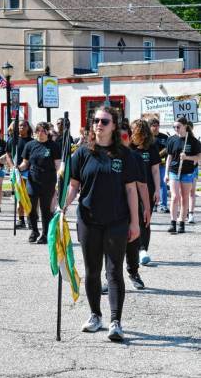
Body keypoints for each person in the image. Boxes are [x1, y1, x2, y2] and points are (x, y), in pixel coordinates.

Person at [63, 107, 140, 342]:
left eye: (104, 121)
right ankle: (95, 315)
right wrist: (62, 206)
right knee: (92, 271)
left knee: (114, 270)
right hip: (88, 220)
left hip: (117, 220)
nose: (99, 124)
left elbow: (131, 190)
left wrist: (135, 222)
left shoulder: (125, 155)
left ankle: (116, 321)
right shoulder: (82, 153)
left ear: (114, 125)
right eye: (95, 120)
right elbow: (74, 185)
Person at [121, 122, 151, 290]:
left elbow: (142, 185)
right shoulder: (106, 156)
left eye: (124, 136)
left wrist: (147, 208)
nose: (120, 139)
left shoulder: (135, 157)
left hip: (131, 207)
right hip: (111, 209)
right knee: (110, 246)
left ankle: (133, 272)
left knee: (132, 243)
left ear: (130, 137)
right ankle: (109, 278)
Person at [19, 122, 60, 244]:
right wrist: (18, 168)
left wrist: (59, 180)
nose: (40, 133)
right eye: (38, 131)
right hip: (32, 180)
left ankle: (45, 234)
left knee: (45, 209)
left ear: (48, 132)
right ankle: (34, 230)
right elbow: (25, 163)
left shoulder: (53, 146)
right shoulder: (30, 145)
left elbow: (58, 165)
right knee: (30, 207)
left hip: (48, 181)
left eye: (43, 131)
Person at [130, 119, 161, 267]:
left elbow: (155, 170)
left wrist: (157, 189)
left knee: (145, 220)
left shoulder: (152, 147)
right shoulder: (128, 146)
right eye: (134, 131)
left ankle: (143, 250)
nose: (136, 134)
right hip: (129, 189)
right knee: (130, 218)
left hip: (146, 189)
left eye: (138, 131)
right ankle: (132, 250)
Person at [164, 117, 201, 234]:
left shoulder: (193, 141)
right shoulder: (171, 140)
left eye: (178, 127)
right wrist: (166, 174)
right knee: (175, 197)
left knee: (185, 198)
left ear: (185, 126)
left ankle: (182, 223)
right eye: (174, 127)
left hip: (187, 172)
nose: (176, 129)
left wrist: (187, 157)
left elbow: (199, 158)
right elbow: (169, 158)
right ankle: (173, 223)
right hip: (174, 171)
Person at [7, 120, 33, 229]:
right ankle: (21, 219)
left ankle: (30, 219)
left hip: (29, 171)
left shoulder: (32, 142)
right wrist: (12, 166)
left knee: (29, 196)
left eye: (24, 125)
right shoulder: (12, 141)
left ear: (28, 127)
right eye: (20, 125)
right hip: (16, 171)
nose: (21, 127)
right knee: (19, 196)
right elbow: (8, 154)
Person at [149, 118, 169, 213]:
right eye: (154, 126)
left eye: (157, 125)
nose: (156, 128)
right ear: (150, 127)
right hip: (150, 165)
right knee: (151, 184)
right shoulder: (147, 138)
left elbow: (169, 149)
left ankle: (163, 205)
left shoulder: (164, 137)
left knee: (162, 184)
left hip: (162, 165)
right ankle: (153, 204)